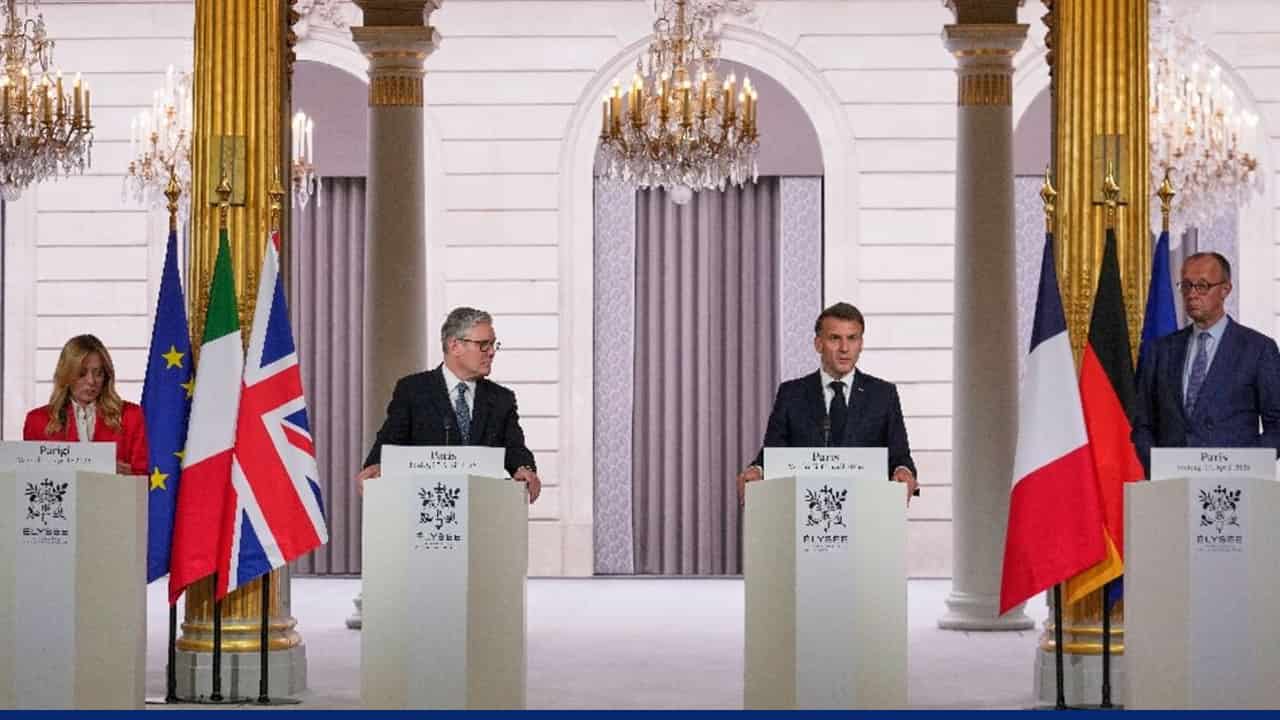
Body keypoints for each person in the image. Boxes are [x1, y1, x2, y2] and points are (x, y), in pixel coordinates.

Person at [737, 302, 919, 502]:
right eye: (835, 338)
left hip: (867, 508)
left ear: (861, 344)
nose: (844, 348)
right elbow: (774, 454)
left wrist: (904, 471)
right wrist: (757, 470)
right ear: (818, 344)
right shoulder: (791, 394)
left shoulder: (883, 395)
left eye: (852, 338)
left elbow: (900, 456)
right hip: (805, 508)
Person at [356, 307, 542, 502]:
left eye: (493, 344)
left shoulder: (501, 399)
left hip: (483, 505)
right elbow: (390, 441)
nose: (491, 352)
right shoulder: (413, 390)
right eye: (483, 345)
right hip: (427, 504)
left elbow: (515, 448)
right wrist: (376, 466)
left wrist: (525, 469)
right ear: (455, 346)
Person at [1132, 252, 1280, 474]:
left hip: (1234, 486)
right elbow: (1142, 424)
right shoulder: (1161, 350)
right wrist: (1158, 466)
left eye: (1202, 286)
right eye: (1186, 286)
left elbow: (1277, 425)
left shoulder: (1258, 349)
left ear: (1225, 289)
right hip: (1171, 483)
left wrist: (1246, 466)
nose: (1192, 294)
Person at [23, 334, 148, 476]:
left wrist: (126, 474)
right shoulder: (37, 421)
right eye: (82, 373)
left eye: (98, 373)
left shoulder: (131, 416)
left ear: (106, 376)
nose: (91, 381)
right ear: (66, 375)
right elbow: (30, 479)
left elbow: (143, 478)